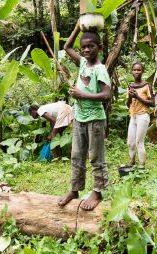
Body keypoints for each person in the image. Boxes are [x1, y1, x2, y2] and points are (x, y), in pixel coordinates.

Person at [58, 21, 112, 210]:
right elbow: (66, 46)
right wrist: (77, 28)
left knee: (96, 157)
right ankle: (75, 189)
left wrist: (83, 95)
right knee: (77, 155)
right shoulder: (81, 62)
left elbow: (107, 95)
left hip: (95, 120)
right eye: (83, 47)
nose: (86, 50)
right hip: (80, 117)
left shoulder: (100, 69)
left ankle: (97, 192)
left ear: (100, 48)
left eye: (91, 46)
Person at [126, 63, 155, 167]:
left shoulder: (147, 85)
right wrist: (130, 96)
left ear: (142, 71)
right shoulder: (130, 86)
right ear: (132, 71)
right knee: (130, 142)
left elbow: (153, 103)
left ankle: (142, 166)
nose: (136, 72)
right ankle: (131, 163)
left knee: (139, 142)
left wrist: (137, 97)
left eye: (139, 70)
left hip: (143, 116)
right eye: (134, 70)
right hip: (133, 116)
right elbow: (127, 104)